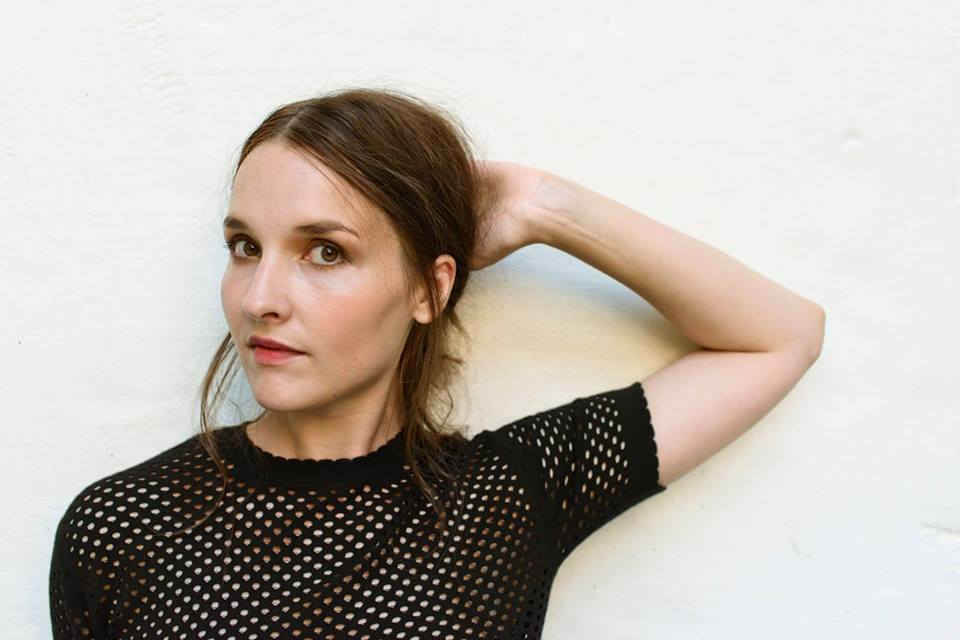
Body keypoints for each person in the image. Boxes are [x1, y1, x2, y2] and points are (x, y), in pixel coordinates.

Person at [48, 87, 825, 639]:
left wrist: (544, 205)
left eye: (325, 252)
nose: (260, 298)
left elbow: (780, 335)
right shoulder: (123, 526)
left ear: (429, 287)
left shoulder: (506, 497)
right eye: (245, 246)